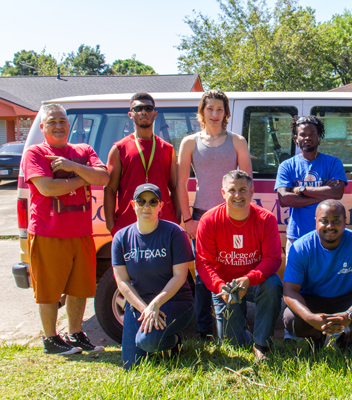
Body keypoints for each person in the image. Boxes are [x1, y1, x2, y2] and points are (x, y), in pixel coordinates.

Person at [22, 103, 109, 355]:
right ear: (42, 127)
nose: (58, 126)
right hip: (48, 232)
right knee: (49, 289)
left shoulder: (83, 150)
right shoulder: (35, 153)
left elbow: (103, 178)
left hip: (81, 232)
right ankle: (50, 339)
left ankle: (75, 334)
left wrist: (72, 167)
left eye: (62, 121)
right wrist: (85, 177)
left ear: (69, 125)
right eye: (52, 122)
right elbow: (47, 188)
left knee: (79, 287)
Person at [177, 90, 253, 339]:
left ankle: (234, 326)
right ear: (202, 112)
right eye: (209, 108)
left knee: (233, 270)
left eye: (219, 109)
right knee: (202, 276)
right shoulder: (189, 142)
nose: (214, 114)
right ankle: (204, 331)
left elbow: (247, 183)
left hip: (232, 218)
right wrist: (187, 219)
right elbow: (180, 184)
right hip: (200, 217)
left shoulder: (237, 141)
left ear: (226, 113)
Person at [195, 170, 282, 362]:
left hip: (254, 282)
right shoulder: (209, 220)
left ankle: (262, 344)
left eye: (243, 189)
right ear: (223, 193)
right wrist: (219, 287)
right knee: (232, 345)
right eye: (232, 190)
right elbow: (203, 263)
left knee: (273, 284)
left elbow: (273, 259)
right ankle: (245, 335)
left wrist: (249, 279)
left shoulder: (266, 219)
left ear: (252, 192)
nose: (237, 195)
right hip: (225, 286)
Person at [283, 200, 352, 350]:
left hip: (347, 298)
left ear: (345, 221)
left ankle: (345, 341)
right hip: (313, 299)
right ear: (316, 222)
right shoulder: (300, 248)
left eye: (336, 220)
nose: (330, 226)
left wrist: (349, 315)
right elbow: (289, 292)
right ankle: (317, 338)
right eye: (324, 221)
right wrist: (310, 318)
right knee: (291, 318)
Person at [111, 184, 194, 369]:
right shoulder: (121, 238)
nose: (146, 206)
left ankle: (172, 342)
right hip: (140, 305)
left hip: (174, 302)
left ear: (160, 206)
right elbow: (122, 281)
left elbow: (180, 276)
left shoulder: (175, 233)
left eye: (152, 201)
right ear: (133, 205)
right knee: (131, 366)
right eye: (141, 201)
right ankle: (158, 337)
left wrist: (155, 305)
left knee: (148, 342)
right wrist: (145, 309)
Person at [104, 92, 180, 236]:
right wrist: (111, 226)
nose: (143, 112)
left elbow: (175, 188)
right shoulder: (119, 148)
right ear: (130, 114)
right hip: (128, 225)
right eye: (138, 109)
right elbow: (110, 190)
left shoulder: (167, 148)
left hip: (163, 224)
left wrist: (177, 220)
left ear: (155, 113)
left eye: (148, 108)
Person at [275, 116, 347, 255]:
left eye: (312, 134)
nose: (307, 138)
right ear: (296, 138)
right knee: (296, 277)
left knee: (326, 277)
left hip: (327, 237)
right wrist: (324, 193)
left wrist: (302, 190)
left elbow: (338, 193)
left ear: (319, 136)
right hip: (297, 237)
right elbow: (284, 199)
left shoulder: (333, 163)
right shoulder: (287, 166)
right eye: (303, 134)